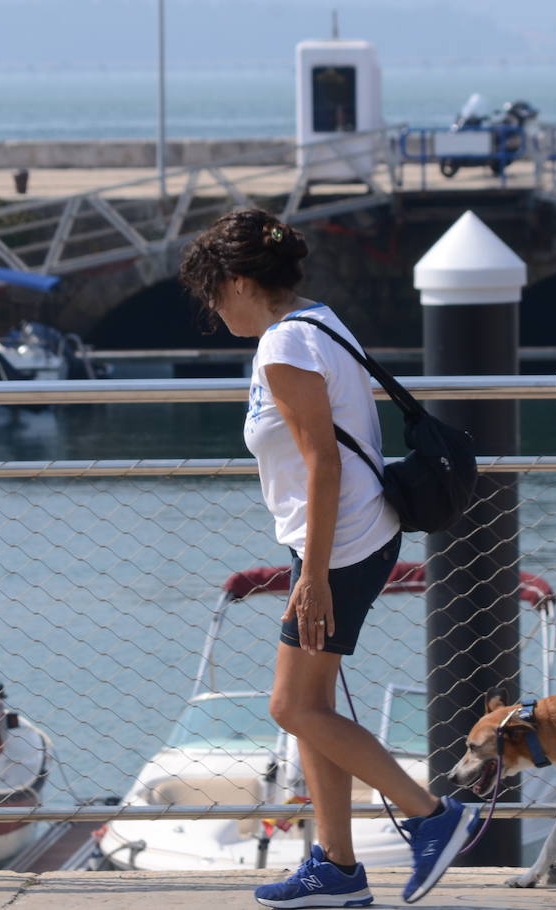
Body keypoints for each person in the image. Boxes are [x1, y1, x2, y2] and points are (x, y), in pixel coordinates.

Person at [179, 208, 479, 908]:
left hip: (339, 547)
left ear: (241, 282)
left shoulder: (284, 346)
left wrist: (312, 576)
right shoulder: (319, 321)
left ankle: (433, 817)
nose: (214, 310)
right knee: (311, 707)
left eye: (214, 294)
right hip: (338, 537)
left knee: (290, 705)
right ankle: (337, 868)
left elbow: (324, 463)